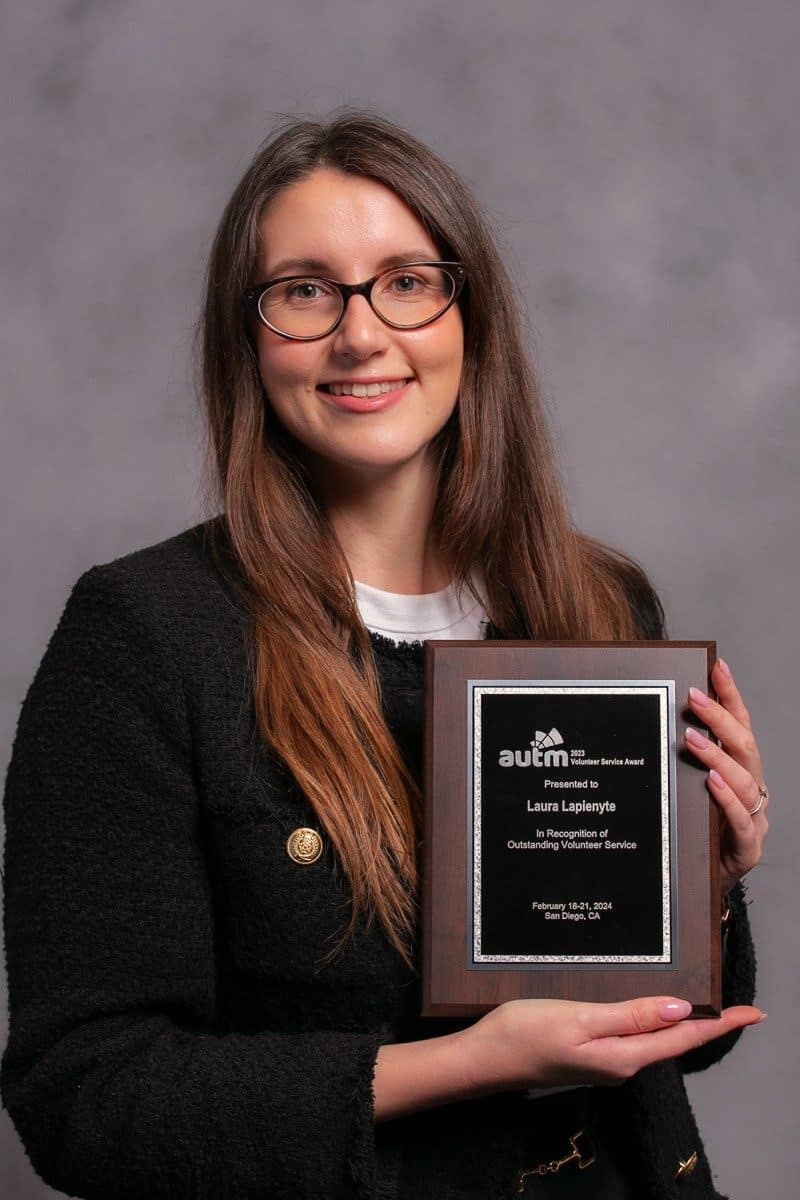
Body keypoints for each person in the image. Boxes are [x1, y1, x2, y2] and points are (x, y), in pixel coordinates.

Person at [1, 110, 768, 1200]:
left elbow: (676, 1037)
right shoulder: (146, 634)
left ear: (470, 316)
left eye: (406, 281)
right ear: (247, 337)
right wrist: (463, 1066)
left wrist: (705, 885)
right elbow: (86, 1099)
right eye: (306, 290)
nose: (361, 334)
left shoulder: (597, 600)